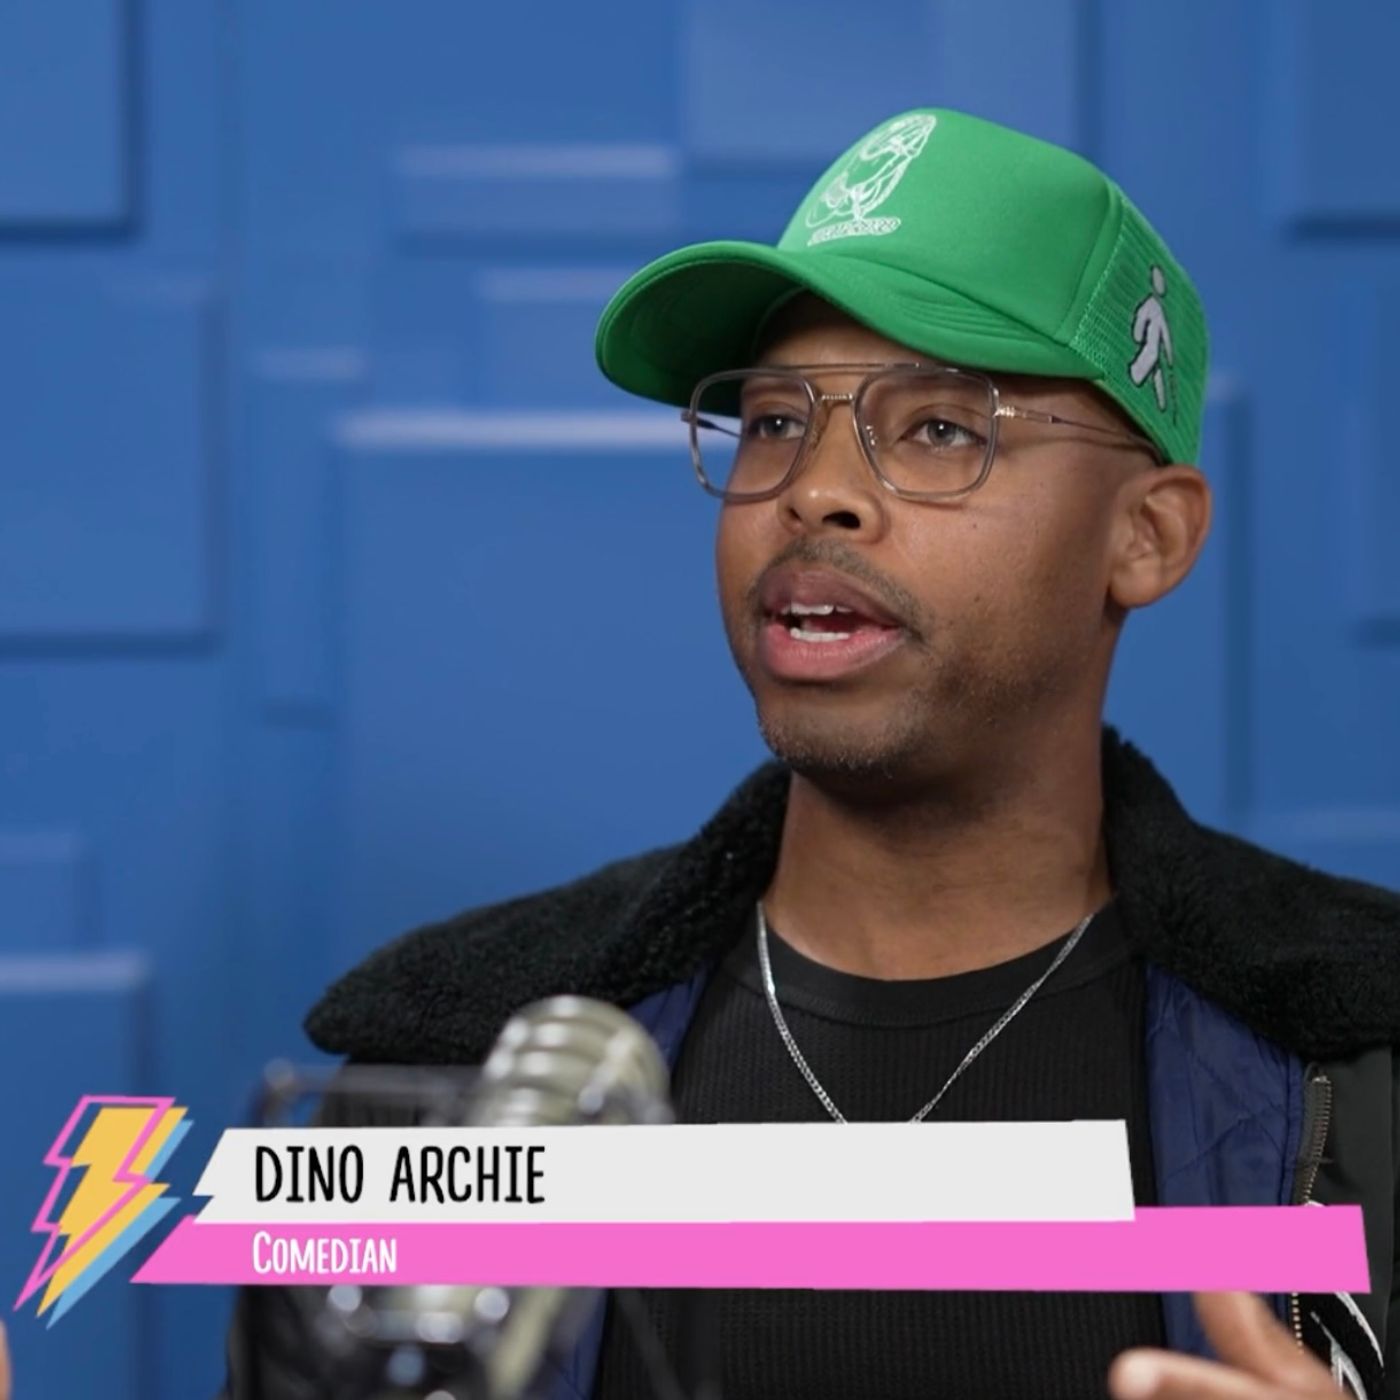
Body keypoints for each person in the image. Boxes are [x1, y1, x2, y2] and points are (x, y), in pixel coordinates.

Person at [228, 108, 1400, 1400]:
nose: (814, 490)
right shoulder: (437, 1069)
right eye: (776, 422)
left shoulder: (1367, 1072)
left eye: (940, 427)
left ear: (1148, 538)